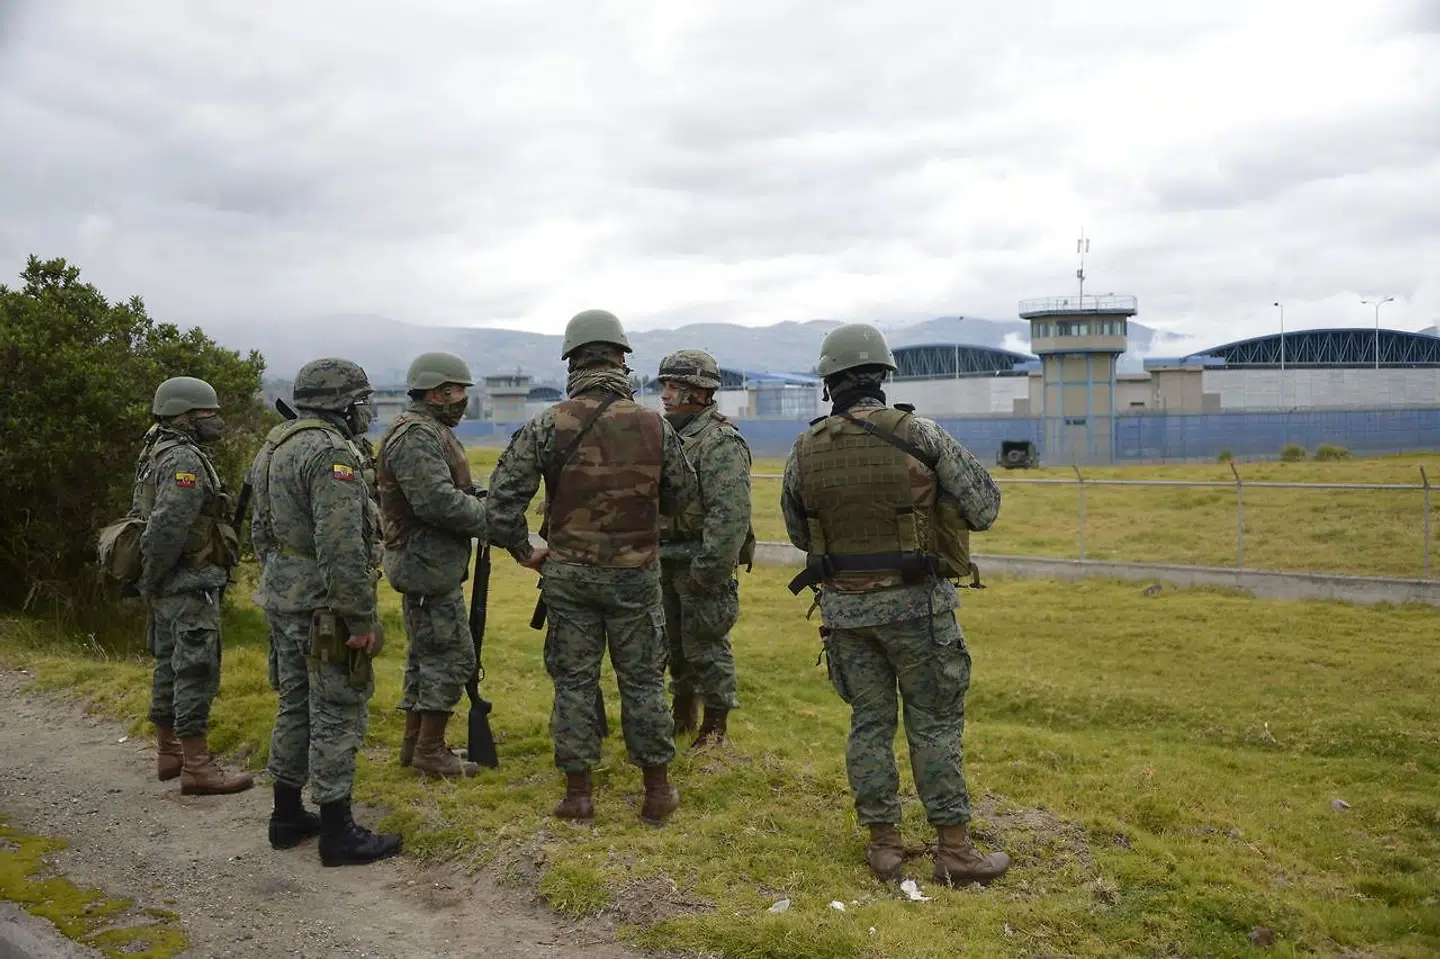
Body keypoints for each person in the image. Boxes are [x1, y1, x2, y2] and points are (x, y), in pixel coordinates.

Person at [779, 322, 1011, 887]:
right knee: (933, 725)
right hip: (919, 610)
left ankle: (884, 845)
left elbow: (796, 531)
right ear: (883, 376)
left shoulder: (805, 448)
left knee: (869, 723)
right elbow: (984, 506)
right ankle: (953, 852)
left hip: (846, 614)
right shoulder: (921, 434)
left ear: (829, 383)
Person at [487, 309, 698, 824]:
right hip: (635, 575)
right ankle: (656, 791)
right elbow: (686, 495)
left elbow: (499, 504)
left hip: (569, 575)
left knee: (575, 682)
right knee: (644, 680)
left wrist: (525, 550)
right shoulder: (654, 425)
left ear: (571, 361)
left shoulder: (547, 423)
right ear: (622, 359)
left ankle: (578, 794)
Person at [247, 357, 402, 867]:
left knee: (294, 704)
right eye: (361, 402)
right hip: (324, 607)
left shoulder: (276, 444)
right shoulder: (332, 454)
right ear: (342, 404)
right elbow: (340, 545)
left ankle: (287, 815)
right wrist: (357, 618)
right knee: (337, 709)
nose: (367, 411)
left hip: (283, 597)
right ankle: (338, 831)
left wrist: (281, 578)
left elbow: (260, 532)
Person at [132, 375, 252, 796]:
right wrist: (154, 575)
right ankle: (197, 767)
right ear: (185, 416)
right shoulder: (183, 460)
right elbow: (168, 527)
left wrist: (150, 581)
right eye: (208, 413)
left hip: (169, 583)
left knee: (167, 664)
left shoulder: (156, 451)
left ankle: (170, 753)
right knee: (196, 670)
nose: (216, 420)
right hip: (188, 583)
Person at [376, 351, 488, 779]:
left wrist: (479, 498)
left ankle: (414, 743)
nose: (464, 399)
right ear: (440, 391)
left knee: (425, 654)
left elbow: (452, 489)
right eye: (460, 390)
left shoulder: (428, 431)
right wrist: (489, 519)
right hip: (424, 562)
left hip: (426, 561)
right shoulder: (417, 436)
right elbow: (437, 501)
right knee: (450, 655)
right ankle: (430, 749)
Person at [654, 349, 754, 748]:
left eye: (673, 387)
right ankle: (682, 715)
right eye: (665, 385)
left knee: (706, 645)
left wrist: (707, 572)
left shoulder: (719, 441)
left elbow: (730, 516)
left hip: (699, 561)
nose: (664, 394)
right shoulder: (668, 435)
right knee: (673, 646)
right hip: (664, 558)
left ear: (698, 393)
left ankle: (715, 727)